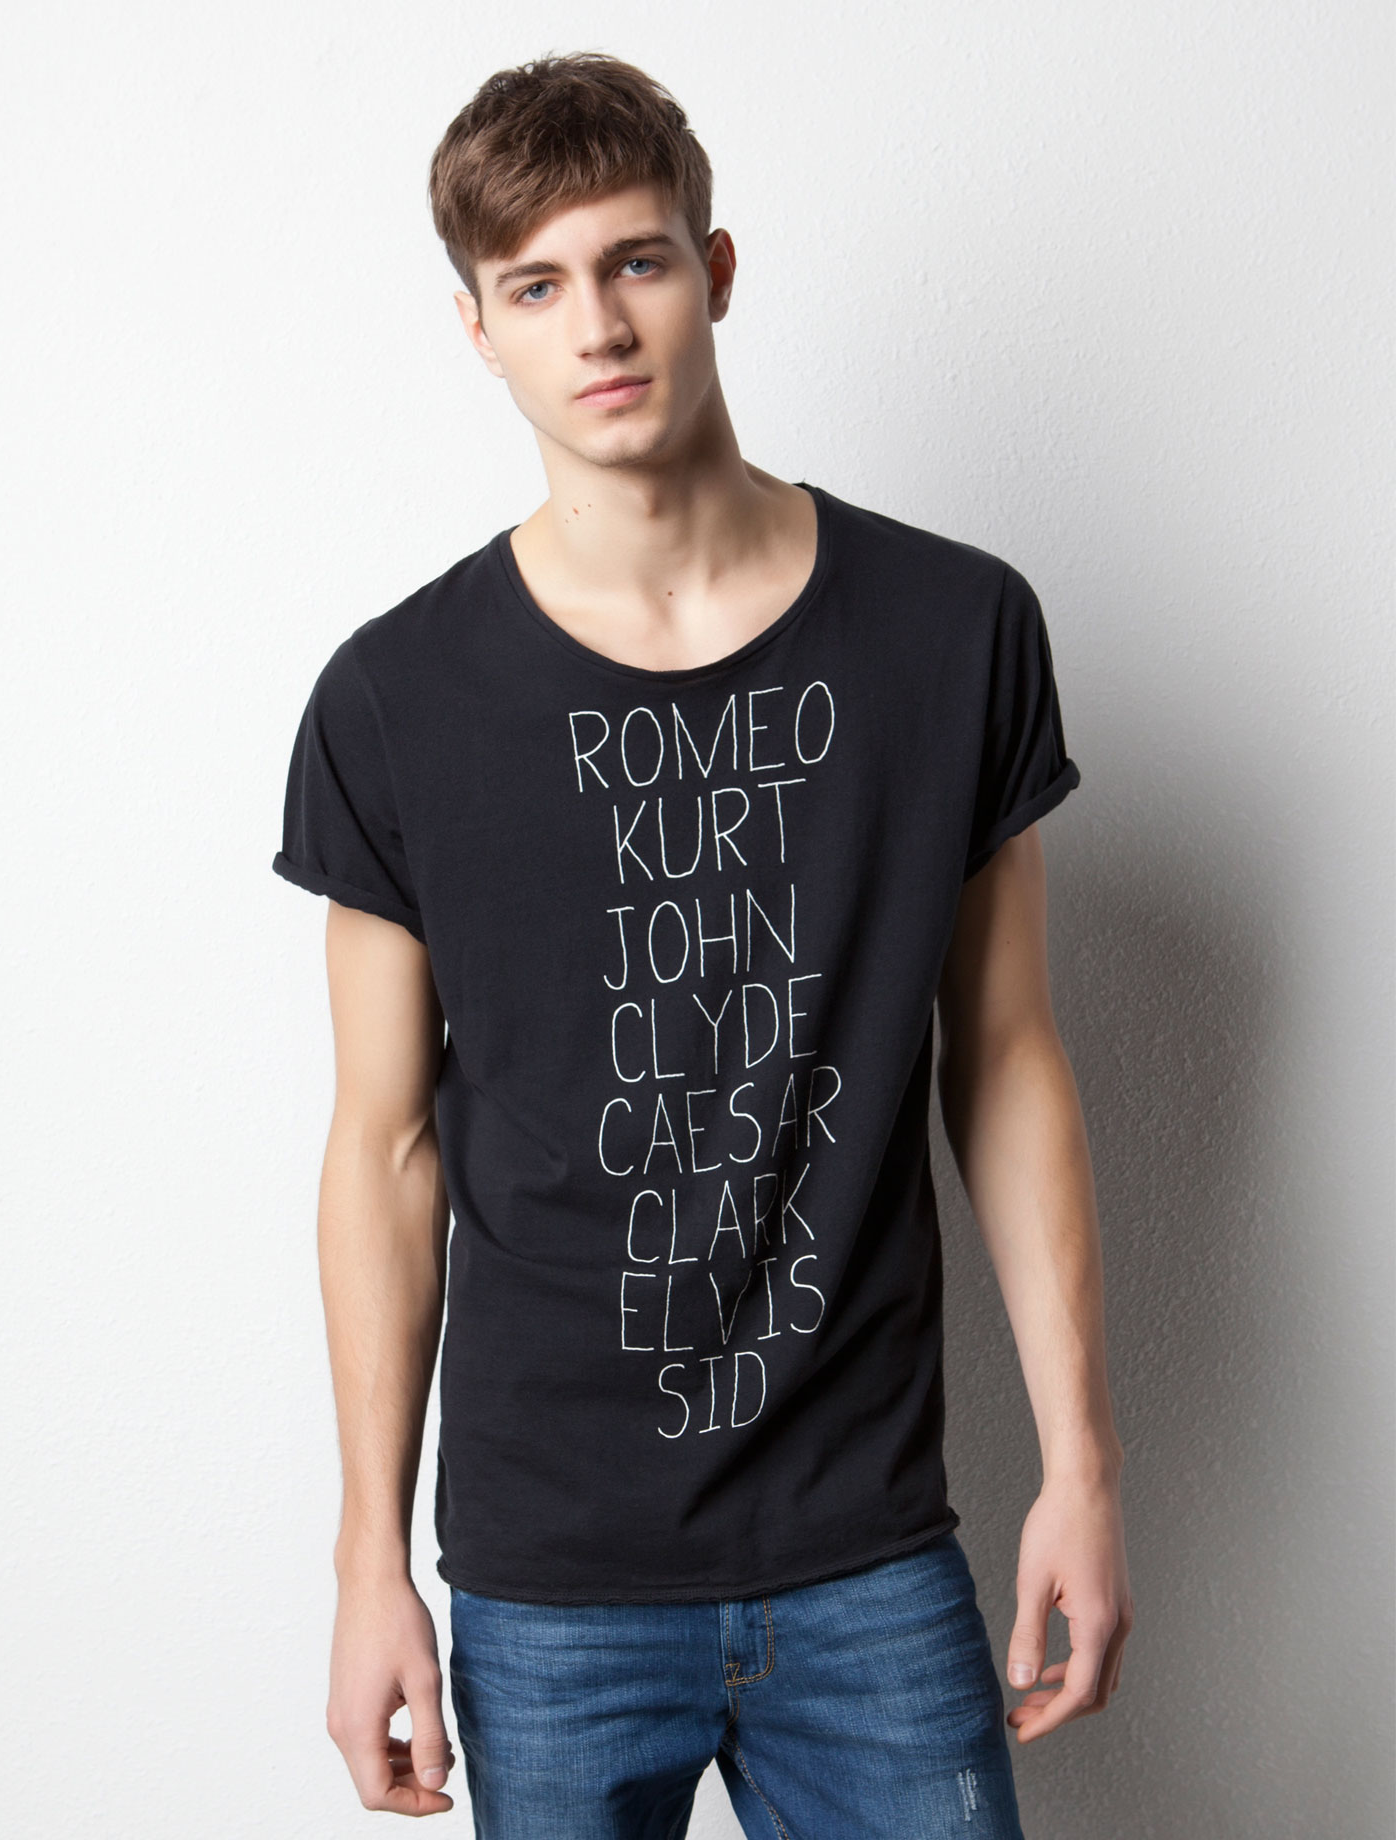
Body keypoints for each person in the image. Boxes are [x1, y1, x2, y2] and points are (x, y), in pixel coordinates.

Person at [271, 50, 1132, 1838]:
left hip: (868, 1551)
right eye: (536, 287)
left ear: (715, 269)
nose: (597, 325)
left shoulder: (954, 631)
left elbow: (1007, 1062)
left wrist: (1083, 1468)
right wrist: (370, 1566)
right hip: (550, 1585)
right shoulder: (396, 701)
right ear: (478, 329)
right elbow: (383, 1149)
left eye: (636, 262)